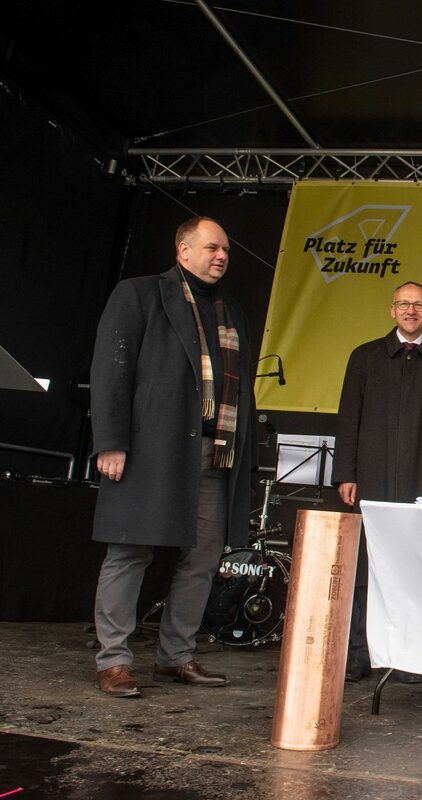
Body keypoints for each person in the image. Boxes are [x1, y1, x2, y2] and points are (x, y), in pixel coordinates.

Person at [90, 216, 256, 697]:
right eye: (211, 247)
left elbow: (243, 391)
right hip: (152, 449)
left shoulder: (231, 310)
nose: (221, 256)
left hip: (214, 452)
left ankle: (176, 656)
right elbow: (112, 370)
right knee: (130, 551)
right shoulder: (139, 293)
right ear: (182, 250)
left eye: (226, 250)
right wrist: (111, 441)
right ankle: (113, 660)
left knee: (202, 559)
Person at [333, 281, 422, 681]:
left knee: (415, 566)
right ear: (392, 310)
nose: (411, 311)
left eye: (419, 305)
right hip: (371, 477)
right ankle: (359, 652)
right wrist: (346, 473)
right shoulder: (365, 357)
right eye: (404, 304)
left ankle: (407, 656)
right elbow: (349, 418)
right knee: (364, 566)